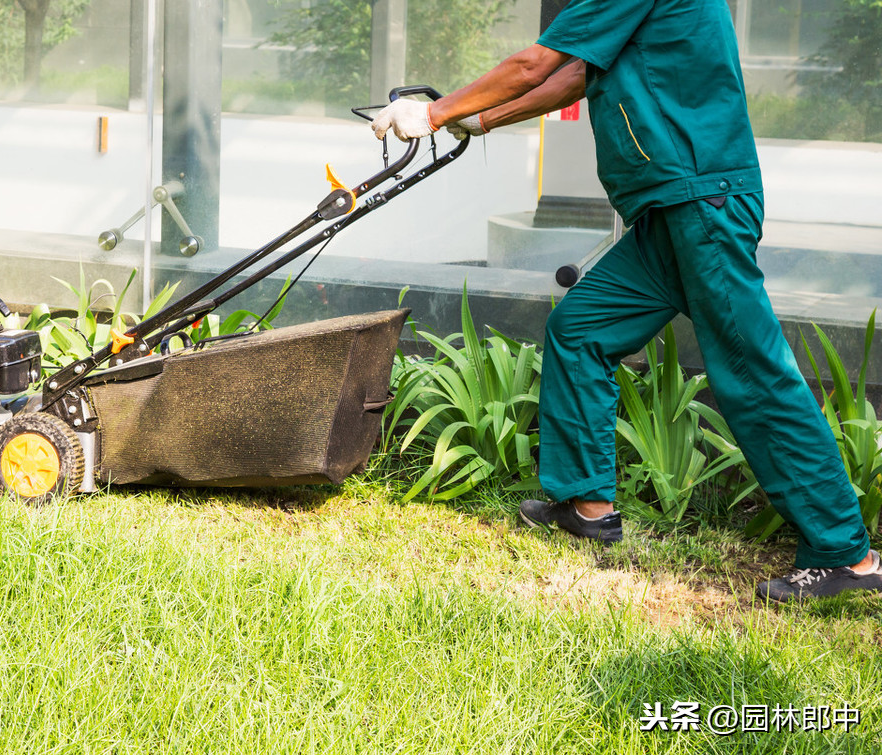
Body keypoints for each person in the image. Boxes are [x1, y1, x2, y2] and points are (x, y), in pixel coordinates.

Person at [369, 0, 881, 602]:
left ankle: (847, 552)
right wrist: (478, 121)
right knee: (582, 329)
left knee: (752, 370)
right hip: (671, 212)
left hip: (701, 205)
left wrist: (434, 112)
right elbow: (578, 74)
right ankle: (589, 507)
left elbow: (536, 63)